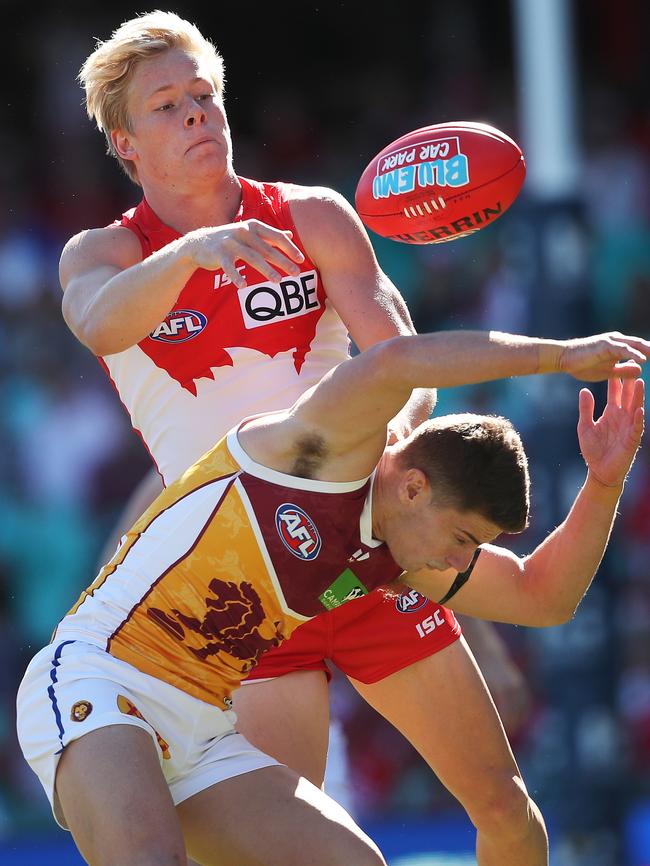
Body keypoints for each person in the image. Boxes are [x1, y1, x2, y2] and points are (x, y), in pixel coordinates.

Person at [55, 10, 606, 862]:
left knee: (506, 811)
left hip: (365, 557)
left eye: (204, 95)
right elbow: (96, 322)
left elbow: (407, 367)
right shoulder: (108, 254)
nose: (197, 113)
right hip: (240, 588)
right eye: (166, 105)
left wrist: (373, 452)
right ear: (125, 144)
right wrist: (198, 252)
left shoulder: (311, 215)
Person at [17, 328, 646, 866]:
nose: (460, 562)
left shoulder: (399, 557)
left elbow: (541, 597)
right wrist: (559, 357)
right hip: (99, 679)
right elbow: (393, 362)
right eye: (462, 538)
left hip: (202, 731)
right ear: (413, 487)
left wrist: (605, 482)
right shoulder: (316, 452)